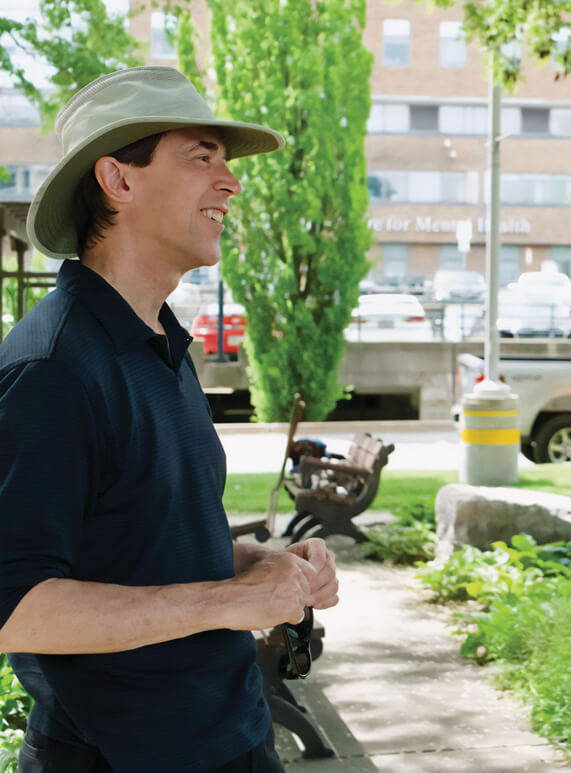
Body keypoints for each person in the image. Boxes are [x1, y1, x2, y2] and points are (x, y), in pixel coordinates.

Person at [0, 67, 339, 772]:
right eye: (202, 156)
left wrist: (266, 569)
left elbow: (145, 543)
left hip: (231, 734)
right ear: (118, 181)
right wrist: (227, 599)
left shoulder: (162, 345)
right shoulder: (52, 368)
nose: (231, 182)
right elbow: (17, 608)